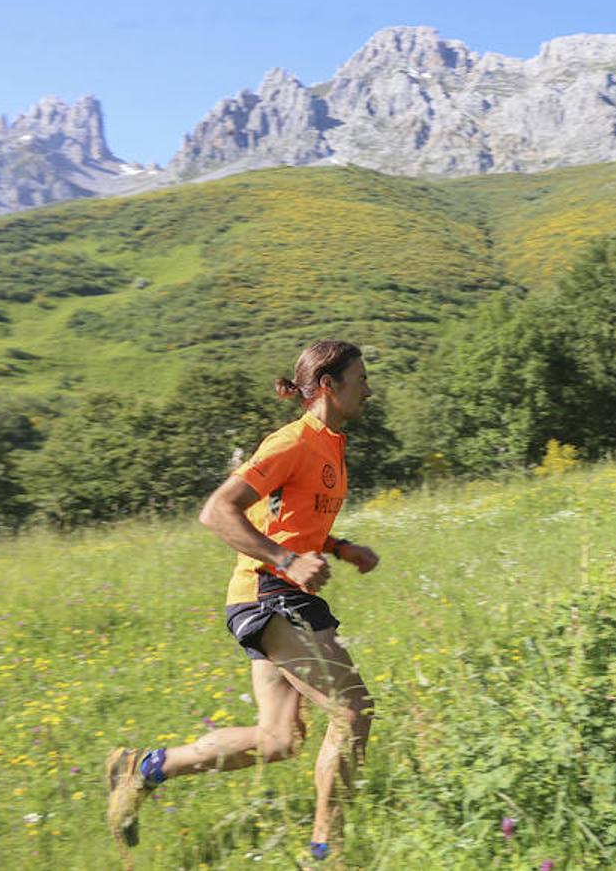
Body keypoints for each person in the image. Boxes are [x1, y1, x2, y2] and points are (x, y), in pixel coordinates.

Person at [106, 339, 381, 863]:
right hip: (269, 593)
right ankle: (326, 851)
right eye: (360, 379)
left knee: (280, 739)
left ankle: (142, 768)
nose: (368, 389)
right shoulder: (291, 441)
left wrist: (341, 548)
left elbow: (294, 524)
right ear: (328, 386)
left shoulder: (331, 445)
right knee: (352, 710)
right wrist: (285, 561)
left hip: (280, 591)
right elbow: (217, 512)